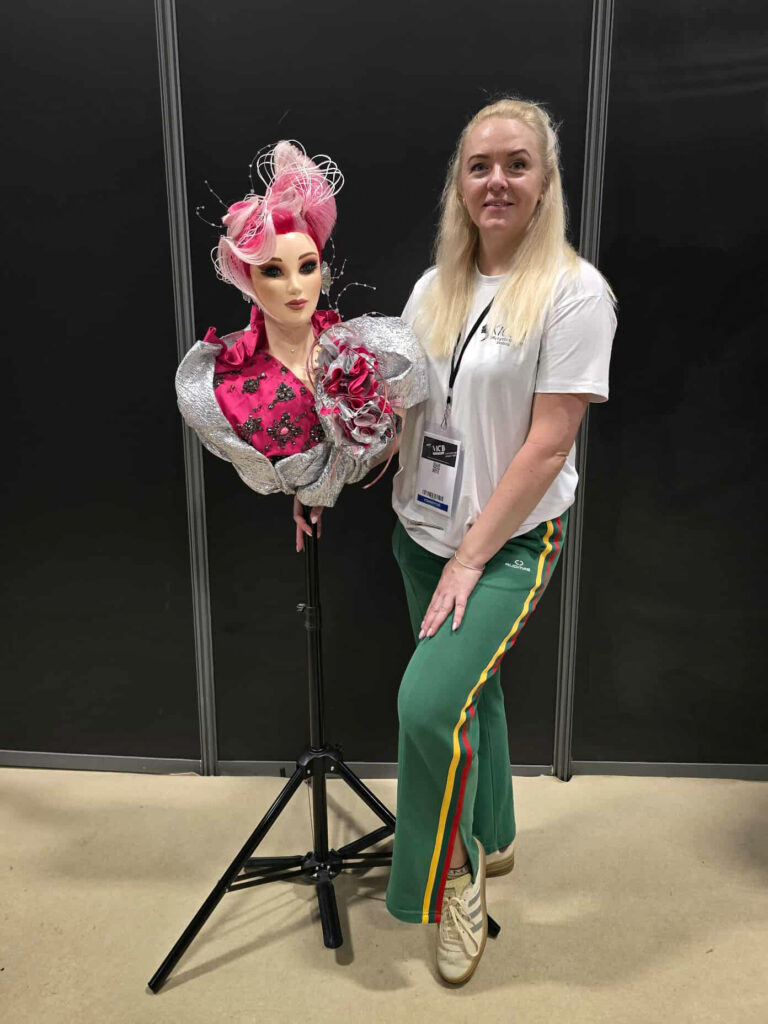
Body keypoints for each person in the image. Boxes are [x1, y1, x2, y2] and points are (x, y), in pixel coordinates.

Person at [294, 96, 617, 985]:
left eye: (516, 164)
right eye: (480, 166)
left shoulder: (576, 293)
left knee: (430, 708)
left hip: (504, 547)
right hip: (420, 531)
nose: (496, 181)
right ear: (460, 183)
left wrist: (472, 559)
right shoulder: (432, 288)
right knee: (477, 696)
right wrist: (325, 479)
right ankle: (496, 835)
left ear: (545, 180)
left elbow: (549, 443)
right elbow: (401, 413)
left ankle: (452, 881)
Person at [176, 141, 426, 508]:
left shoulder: (372, 350)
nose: (295, 287)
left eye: (307, 267)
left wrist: (325, 487)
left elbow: (404, 424)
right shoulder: (229, 391)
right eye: (273, 271)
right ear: (249, 282)